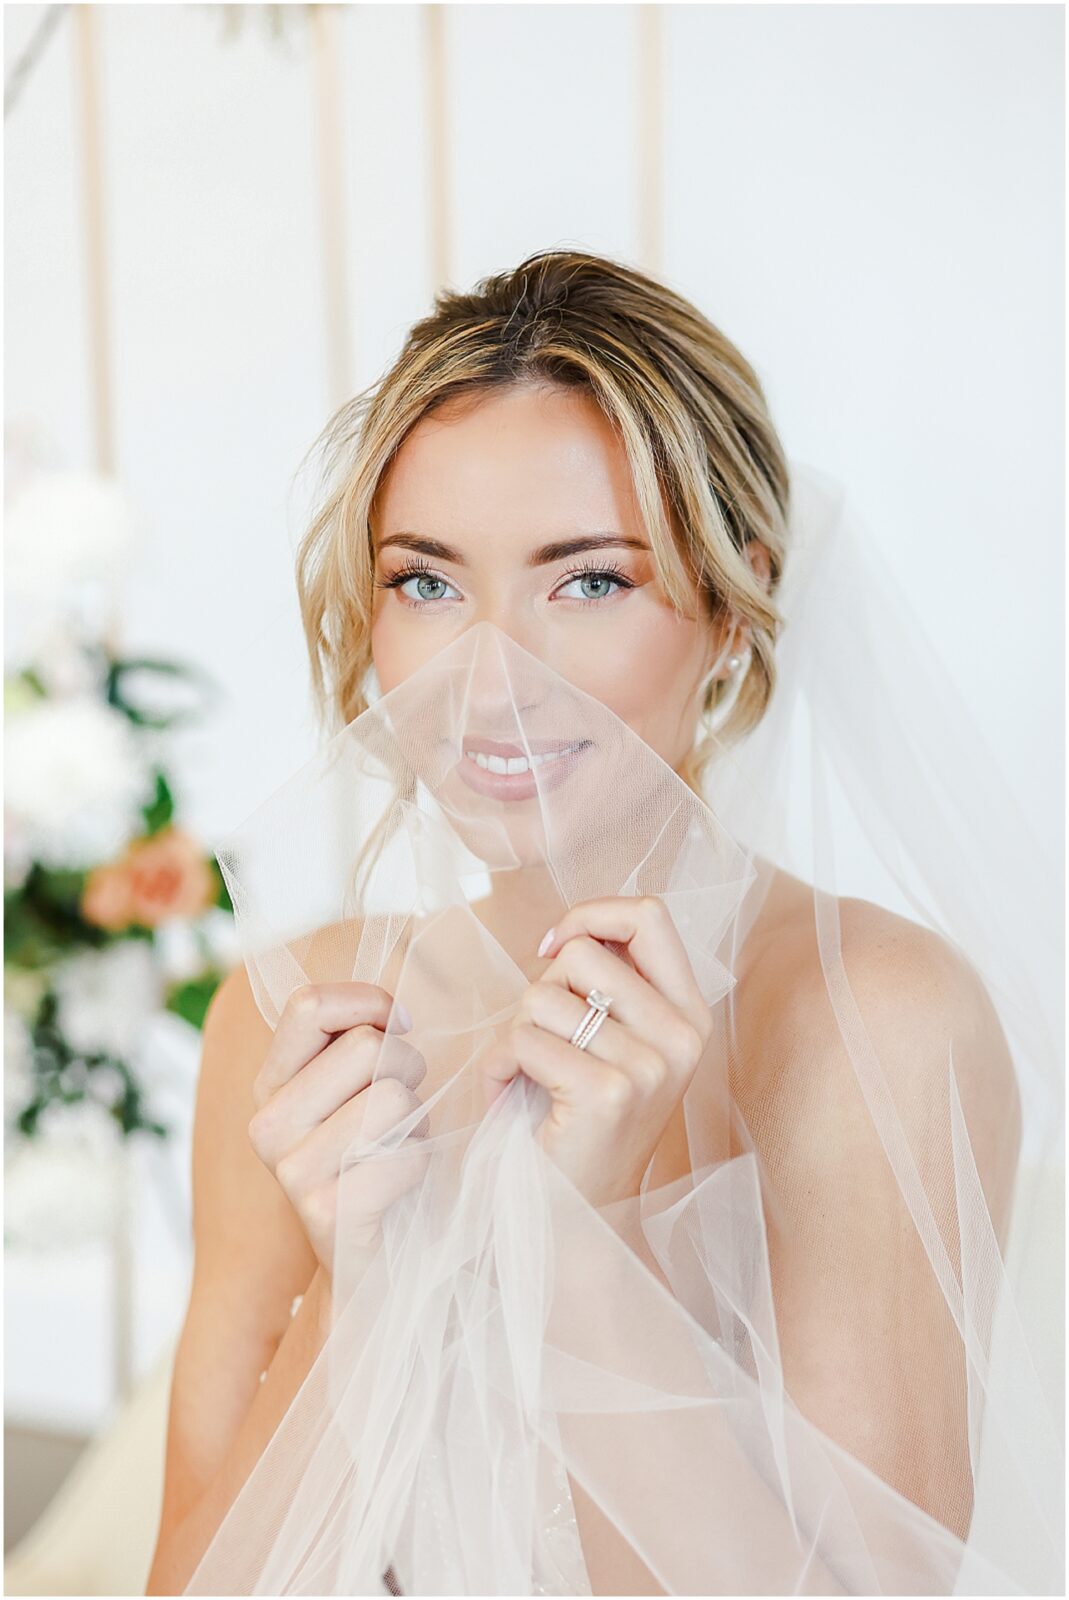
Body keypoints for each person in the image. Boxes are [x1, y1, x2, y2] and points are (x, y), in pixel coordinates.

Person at [146, 250, 1060, 1596]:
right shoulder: (295, 1016)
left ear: (732, 608)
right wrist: (359, 1289)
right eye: (426, 583)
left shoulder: (875, 1017)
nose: (485, 681)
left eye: (587, 582)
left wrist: (585, 1247)